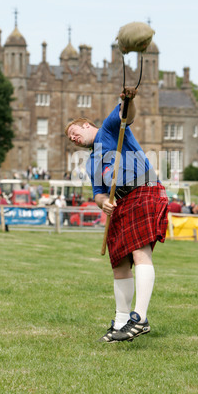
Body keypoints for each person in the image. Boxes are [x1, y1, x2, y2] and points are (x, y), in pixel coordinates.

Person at [65, 87, 169, 343]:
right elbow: (99, 193)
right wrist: (103, 204)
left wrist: (128, 100)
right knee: (119, 263)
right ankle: (121, 321)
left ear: (87, 125)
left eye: (74, 132)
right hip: (121, 203)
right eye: (70, 139)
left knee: (138, 251)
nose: (73, 138)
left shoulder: (110, 129)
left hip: (143, 189)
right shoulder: (91, 162)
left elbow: (127, 115)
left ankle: (140, 318)